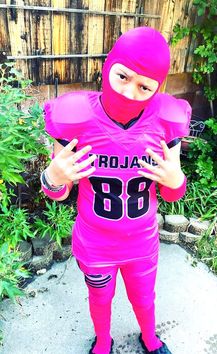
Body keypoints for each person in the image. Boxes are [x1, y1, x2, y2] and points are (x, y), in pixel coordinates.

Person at [40, 26, 191, 354]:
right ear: (109, 67)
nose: (130, 92)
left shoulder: (166, 120)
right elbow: (59, 192)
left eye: (144, 86)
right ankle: (103, 341)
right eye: (123, 77)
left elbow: (171, 192)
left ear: (157, 87)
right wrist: (52, 176)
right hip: (95, 242)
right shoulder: (75, 117)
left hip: (142, 239)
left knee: (143, 297)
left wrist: (176, 182)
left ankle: (150, 338)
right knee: (99, 296)